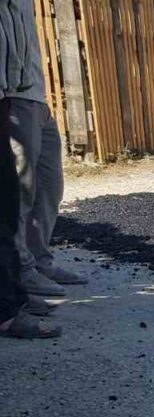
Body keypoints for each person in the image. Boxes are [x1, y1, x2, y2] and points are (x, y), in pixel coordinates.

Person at [4, 0, 84, 298]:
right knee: (20, 190)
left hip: (36, 96)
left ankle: (40, 259)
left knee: (50, 185)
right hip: (12, 95)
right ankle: (22, 269)